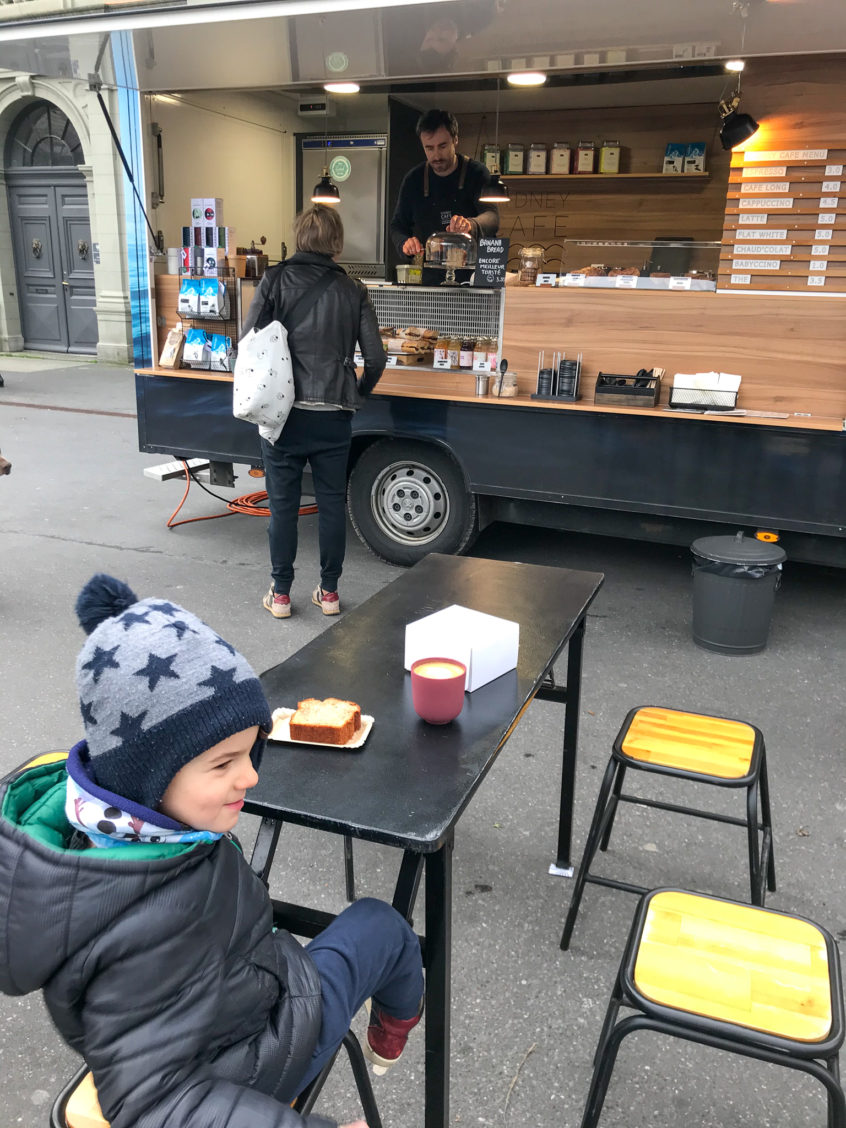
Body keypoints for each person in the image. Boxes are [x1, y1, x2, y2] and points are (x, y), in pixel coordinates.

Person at [0, 573, 424, 1128]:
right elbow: (156, 1104)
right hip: (258, 1054)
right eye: (223, 763)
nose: (249, 776)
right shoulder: (150, 930)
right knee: (384, 926)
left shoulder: (119, 838)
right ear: (147, 779)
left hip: (230, 1009)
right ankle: (390, 1039)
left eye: (251, 751)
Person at [242, 206, 386, 620]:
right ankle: (329, 592)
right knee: (330, 503)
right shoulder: (353, 289)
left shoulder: (274, 279)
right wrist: (355, 391)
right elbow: (376, 358)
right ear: (336, 243)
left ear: (299, 236)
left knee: (283, 506)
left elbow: (249, 341)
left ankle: (282, 594)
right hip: (333, 414)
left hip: (282, 414)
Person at [389, 108, 500, 281]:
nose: (436, 155)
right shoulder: (414, 179)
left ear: (455, 140)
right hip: (429, 283)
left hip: (473, 282)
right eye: (429, 148)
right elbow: (397, 226)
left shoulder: (476, 173)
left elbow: (492, 217)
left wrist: (471, 224)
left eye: (442, 146)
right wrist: (405, 243)